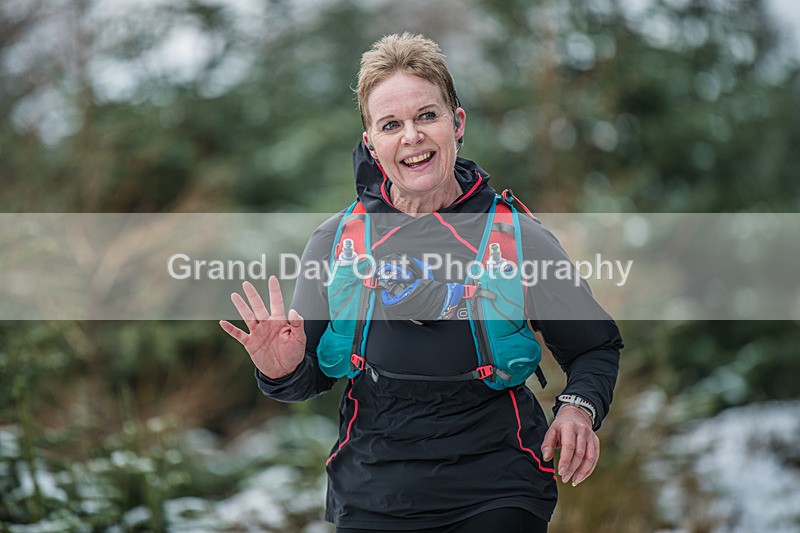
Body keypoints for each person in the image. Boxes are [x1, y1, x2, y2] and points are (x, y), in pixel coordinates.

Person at [220, 33, 622, 532]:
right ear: (371, 142)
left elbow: (594, 348)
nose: (411, 136)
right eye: (391, 124)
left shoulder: (518, 238)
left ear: (457, 122)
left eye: (426, 116)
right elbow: (310, 378)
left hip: (498, 485)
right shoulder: (336, 244)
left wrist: (578, 410)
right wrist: (280, 370)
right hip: (371, 493)